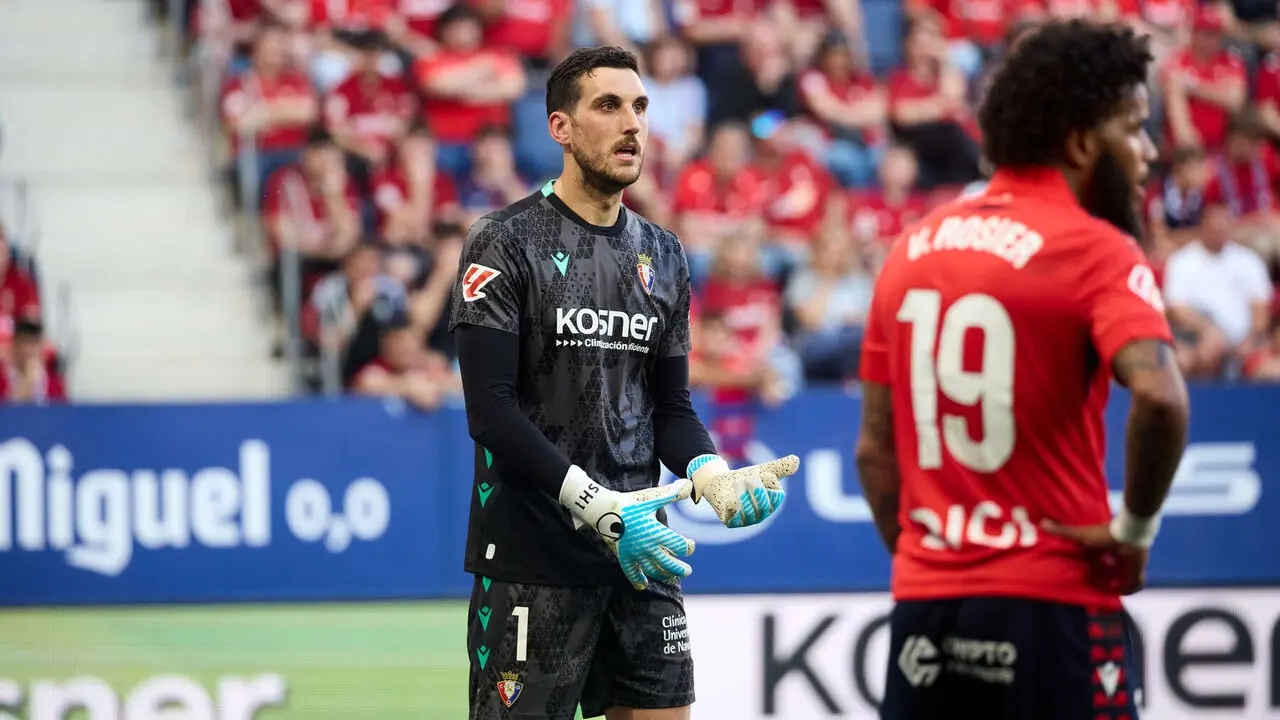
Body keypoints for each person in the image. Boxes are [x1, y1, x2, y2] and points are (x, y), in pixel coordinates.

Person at [449, 46, 800, 720]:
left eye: (640, 106)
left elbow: (670, 407)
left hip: (642, 556)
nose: (632, 123)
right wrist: (599, 507)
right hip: (534, 558)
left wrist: (707, 468)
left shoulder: (664, 255)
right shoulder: (504, 239)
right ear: (561, 127)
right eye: (608, 106)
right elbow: (490, 411)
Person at [854, 20, 1191, 720]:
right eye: (1134, 127)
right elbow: (1161, 397)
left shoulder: (912, 248)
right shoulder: (1096, 249)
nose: (1150, 151)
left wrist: (934, 563)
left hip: (926, 611)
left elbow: (874, 451)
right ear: (1079, 142)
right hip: (1052, 607)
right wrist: (1134, 533)